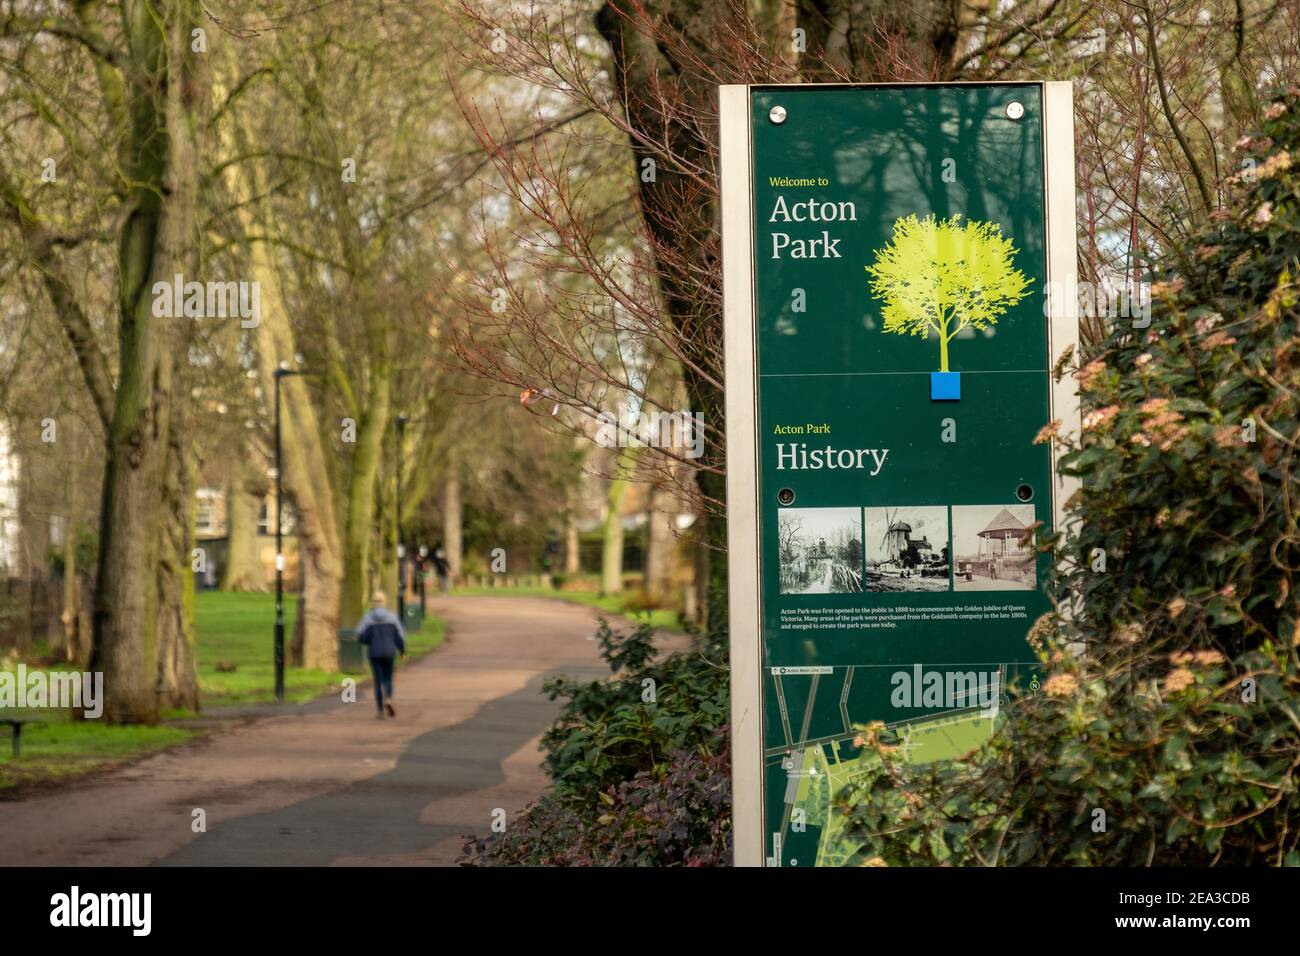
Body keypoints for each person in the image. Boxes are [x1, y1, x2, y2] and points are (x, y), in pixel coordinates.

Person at [355, 590, 405, 718]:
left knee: (378, 681)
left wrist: (368, 641)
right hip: (389, 652)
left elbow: (360, 635)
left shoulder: (368, 617)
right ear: (384, 602)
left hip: (374, 653)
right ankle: (388, 698)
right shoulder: (392, 617)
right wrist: (402, 650)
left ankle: (380, 711)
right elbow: (399, 636)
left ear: (373, 603)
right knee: (388, 678)